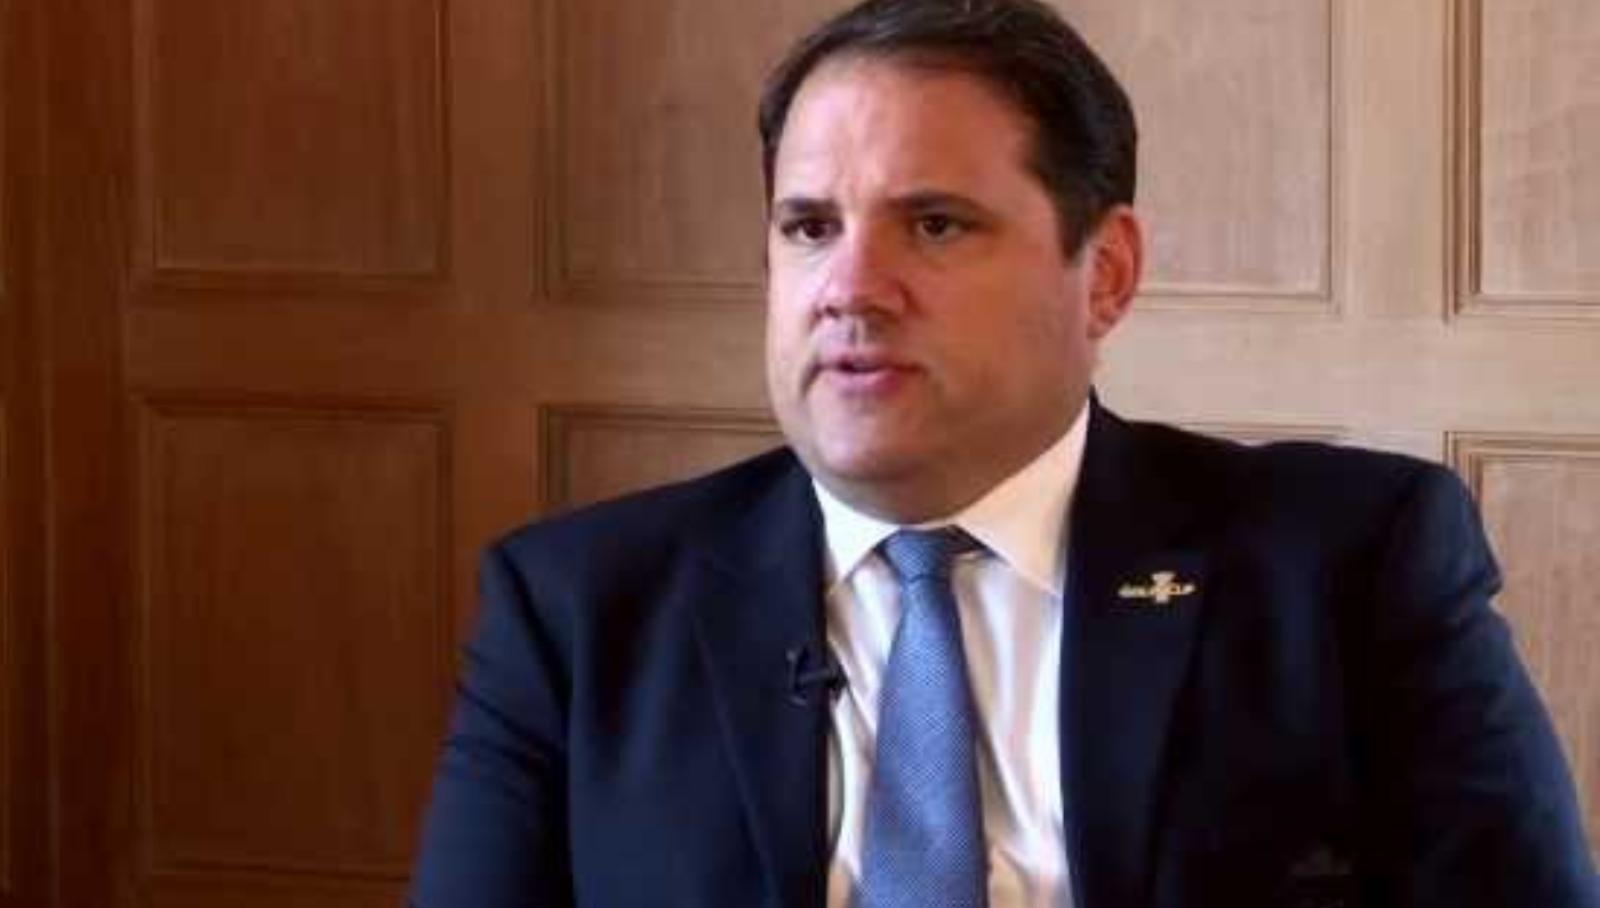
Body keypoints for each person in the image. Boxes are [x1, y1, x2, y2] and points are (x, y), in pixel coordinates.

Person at [408, 0, 1598, 904]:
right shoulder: (577, 605)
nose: (849, 289)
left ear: (1106, 273)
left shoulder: (1345, 564)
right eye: (809, 226)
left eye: (934, 224)